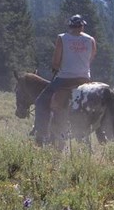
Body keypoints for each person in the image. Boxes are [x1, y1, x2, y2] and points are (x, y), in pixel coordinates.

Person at [33, 14, 97, 144]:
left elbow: (56, 61)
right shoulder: (91, 40)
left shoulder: (62, 38)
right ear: (82, 26)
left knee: (41, 102)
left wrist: (56, 68)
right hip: (85, 79)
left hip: (65, 78)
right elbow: (91, 57)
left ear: (70, 26)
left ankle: (40, 133)